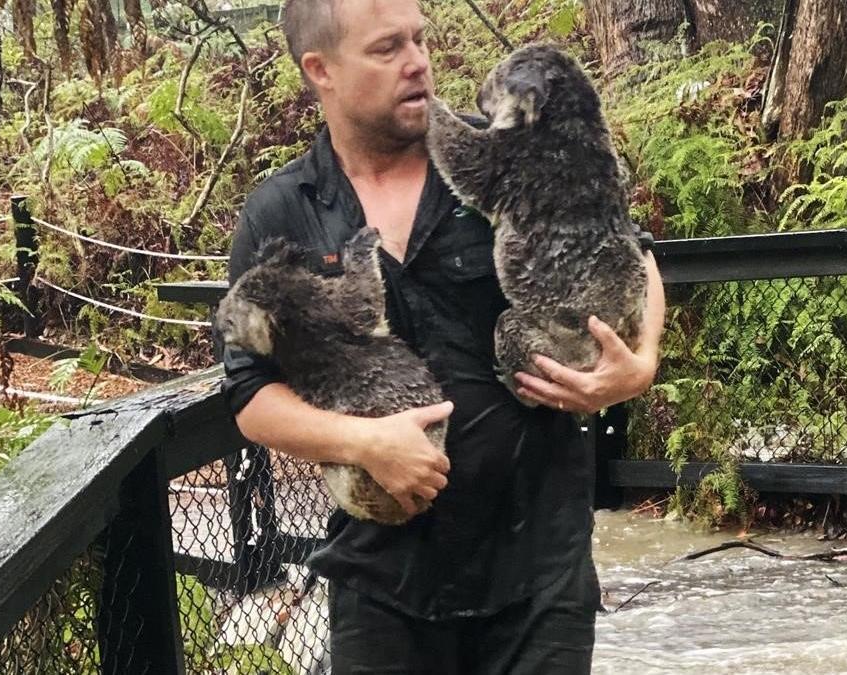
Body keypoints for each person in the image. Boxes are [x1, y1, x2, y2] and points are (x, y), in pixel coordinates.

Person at [220, 0, 666, 671]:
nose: (418, 62)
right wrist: (364, 442)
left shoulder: (507, 146)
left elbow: (634, 252)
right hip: (381, 580)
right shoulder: (282, 212)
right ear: (321, 69)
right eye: (387, 48)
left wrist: (640, 363)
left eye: (420, 39)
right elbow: (250, 394)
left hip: (537, 573)